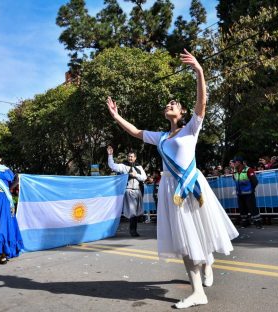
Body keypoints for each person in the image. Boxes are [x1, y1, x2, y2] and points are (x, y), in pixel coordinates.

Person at [106, 49, 238, 308]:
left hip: (193, 188)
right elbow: (135, 132)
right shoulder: (161, 137)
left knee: (200, 232)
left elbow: (202, 103)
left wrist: (199, 71)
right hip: (171, 190)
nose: (169, 105)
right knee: (185, 238)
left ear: (183, 111)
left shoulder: (191, 129)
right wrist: (116, 116)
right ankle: (198, 290)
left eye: (174, 104)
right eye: (167, 104)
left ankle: (207, 265)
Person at [107, 146, 147, 237]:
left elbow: (144, 177)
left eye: (132, 156)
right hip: (129, 191)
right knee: (132, 211)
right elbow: (112, 166)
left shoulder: (139, 167)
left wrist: (136, 175)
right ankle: (133, 231)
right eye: (129, 156)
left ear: (135, 157)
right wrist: (110, 155)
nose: (130, 158)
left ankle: (133, 229)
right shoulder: (123, 166)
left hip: (138, 191)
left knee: (137, 212)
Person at [232, 156, 263, 229]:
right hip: (240, 193)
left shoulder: (248, 169)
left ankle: (258, 223)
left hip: (248, 193)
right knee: (242, 209)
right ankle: (245, 222)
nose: (233, 163)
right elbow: (235, 179)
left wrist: (251, 189)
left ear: (239, 162)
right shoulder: (235, 170)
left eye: (234, 162)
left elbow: (255, 181)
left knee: (252, 208)